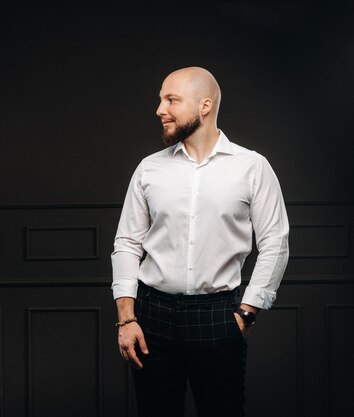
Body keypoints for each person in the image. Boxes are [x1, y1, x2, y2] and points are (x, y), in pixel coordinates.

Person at [111, 67, 289, 417]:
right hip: (152, 318)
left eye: (171, 100)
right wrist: (126, 319)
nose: (159, 109)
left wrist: (246, 314)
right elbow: (127, 243)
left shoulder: (252, 167)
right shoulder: (149, 169)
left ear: (204, 105)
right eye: (161, 99)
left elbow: (275, 242)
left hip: (218, 316)